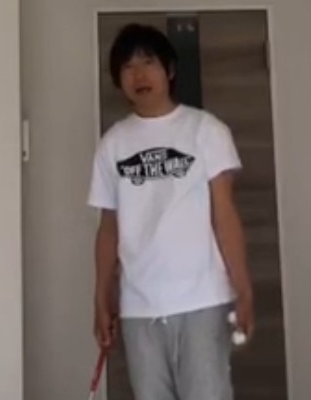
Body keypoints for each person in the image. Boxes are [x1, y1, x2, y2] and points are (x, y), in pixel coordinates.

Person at [87, 23, 255, 400]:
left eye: (148, 62)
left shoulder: (206, 130)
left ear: (170, 70)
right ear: (118, 79)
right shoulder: (112, 145)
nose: (139, 75)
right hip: (139, 306)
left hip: (203, 299)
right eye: (128, 67)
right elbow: (108, 228)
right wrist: (101, 297)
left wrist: (243, 287)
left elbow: (225, 214)